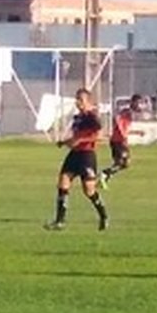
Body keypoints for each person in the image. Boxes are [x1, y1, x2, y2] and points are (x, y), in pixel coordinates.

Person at [45, 88, 109, 231]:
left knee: (89, 191)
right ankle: (59, 221)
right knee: (63, 183)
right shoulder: (78, 118)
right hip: (74, 154)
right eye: (77, 99)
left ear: (88, 101)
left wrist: (80, 140)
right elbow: (76, 137)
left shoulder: (92, 117)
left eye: (81, 100)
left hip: (87, 156)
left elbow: (99, 135)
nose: (78, 102)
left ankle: (103, 216)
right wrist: (65, 142)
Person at [99, 94, 146, 189]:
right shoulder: (127, 112)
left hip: (119, 141)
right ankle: (104, 174)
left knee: (122, 163)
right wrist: (121, 132)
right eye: (138, 103)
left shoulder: (130, 113)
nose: (140, 106)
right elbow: (117, 119)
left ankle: (104, 178)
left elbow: (125, 128)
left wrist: (137, 132)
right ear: (133, 102)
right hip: (118, 141)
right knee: (124, 162)